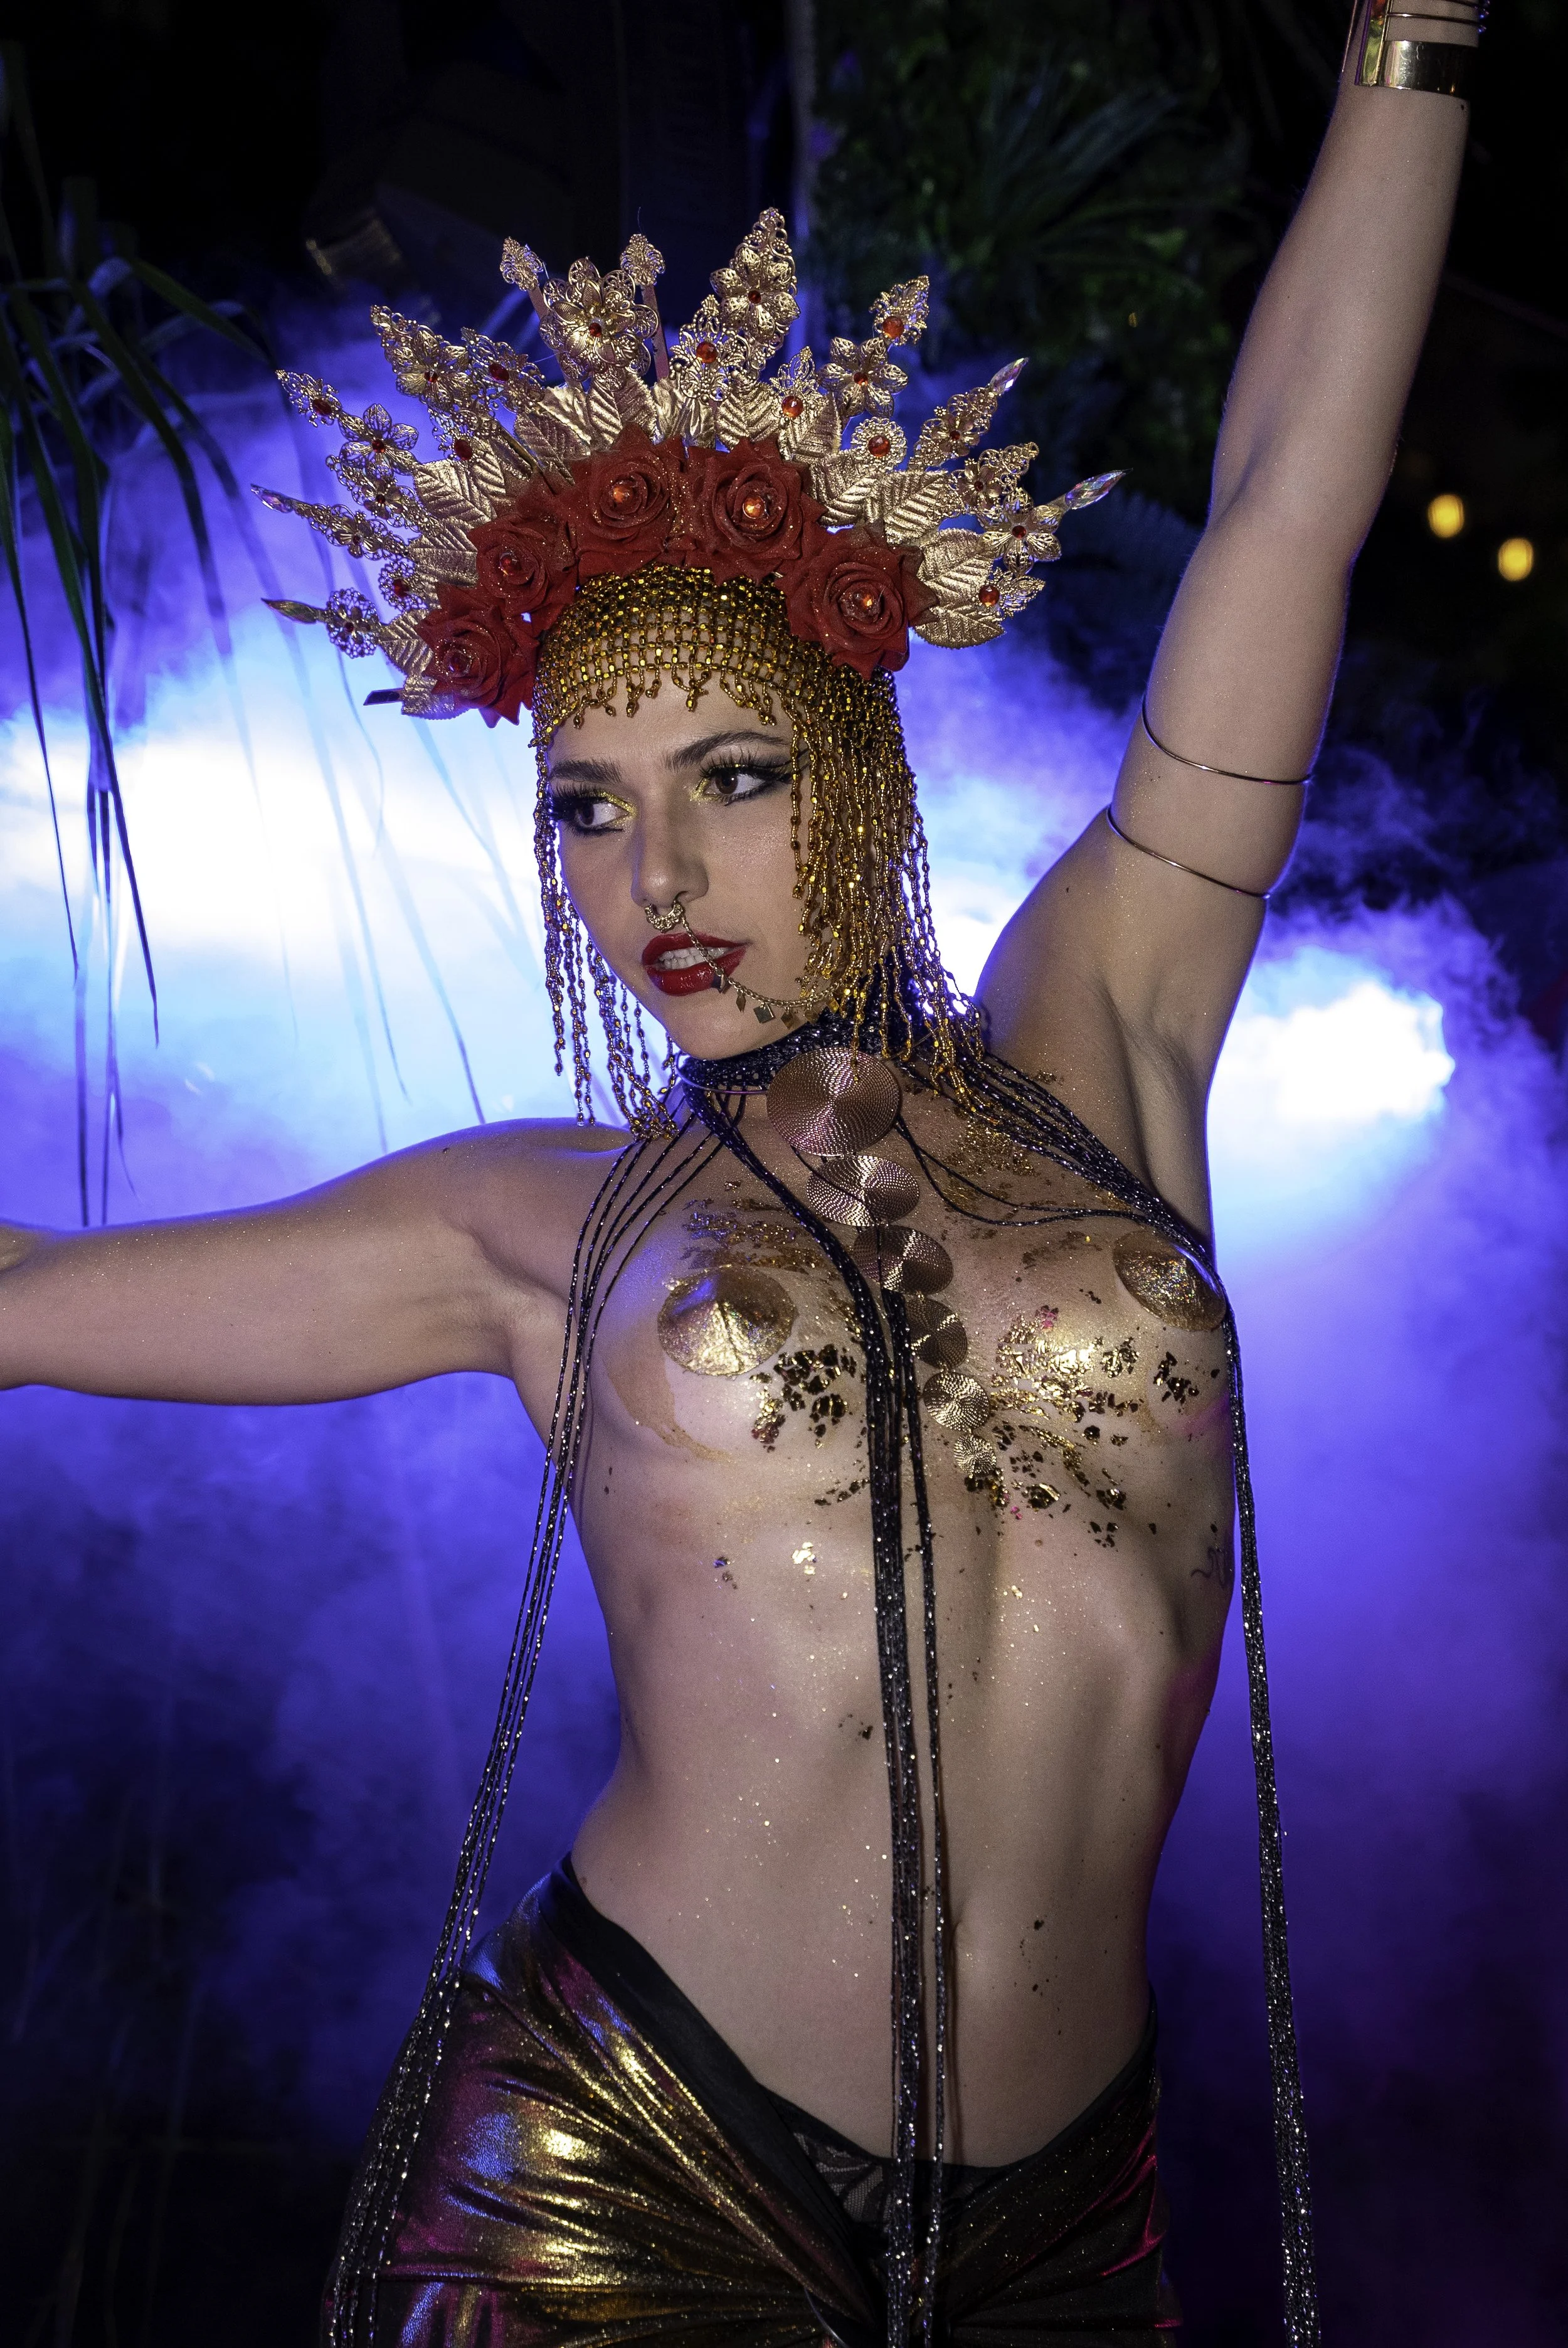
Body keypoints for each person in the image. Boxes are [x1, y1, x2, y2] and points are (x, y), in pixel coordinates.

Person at [0, 4, 1482, 2339]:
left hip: (1063, 2237)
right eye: (584, 804)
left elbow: (1292, 493)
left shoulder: (1096, 1033)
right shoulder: (534, 1220)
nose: (652, 868)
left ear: (864, 775)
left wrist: (1412, 40)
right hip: (630, 2173)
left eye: (731, 777)